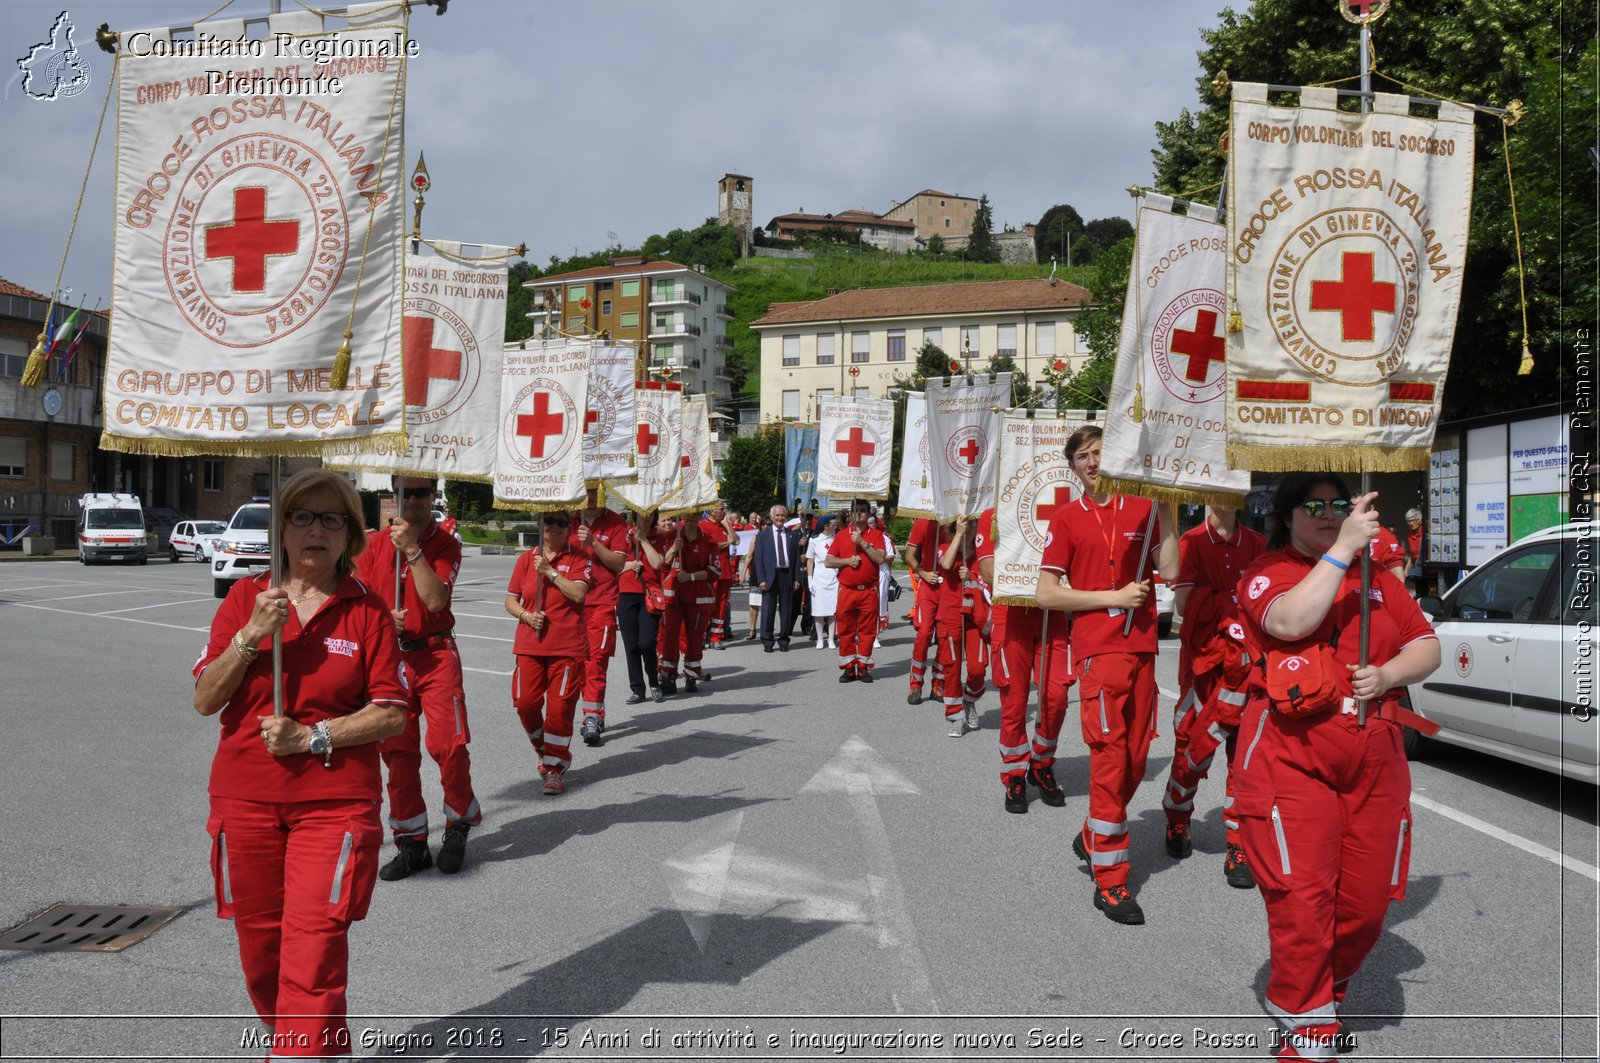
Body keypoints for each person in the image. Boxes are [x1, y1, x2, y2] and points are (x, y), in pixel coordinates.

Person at [194, 468, 409, 1053]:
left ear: (349, 536)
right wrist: (252, 634)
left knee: (312, 954)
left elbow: (392, 712)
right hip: (245, 802)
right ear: (281, 529)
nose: (316, 530)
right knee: (262, 960)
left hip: (333, 806)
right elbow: (205, 699)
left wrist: (314, 737)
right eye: (302, 517)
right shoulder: (246, 597)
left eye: (331, 519)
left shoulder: (366, 610)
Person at [1231, 473, 1439, 1061]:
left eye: (1338, 505)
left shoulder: (1375, 582)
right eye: (1314, 506)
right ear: (1288, 515)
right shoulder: (1268, 572)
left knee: (1366, 907)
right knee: (1303, 899)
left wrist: (1390, 675)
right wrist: (1344, 547)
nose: (1327, 513)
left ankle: (1323, 997)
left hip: (1375, 755)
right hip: (1291, 760)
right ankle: (1307, 1028)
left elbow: (1427, 645)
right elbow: (1291, 622)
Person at [1034, 425, 1177, 925]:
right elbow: (1047, 594)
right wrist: (1111, 598)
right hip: (1098, 654)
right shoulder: (1067, 518)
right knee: (1110, 760)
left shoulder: (1144, 508)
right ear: (1072, 467)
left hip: (1141, 650)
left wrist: (1170, 507)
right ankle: (1111, 881)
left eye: (1100, 453)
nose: (1093, 462)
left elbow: (1173, 570)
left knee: (1137, 761)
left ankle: (1095, 834)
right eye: (1084, 456)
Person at [356, 475, 480, 882]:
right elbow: (355, 599)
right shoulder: (373, 545)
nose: (414, 501)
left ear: (433, 497)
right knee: (397, 754)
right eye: (406, 493)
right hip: (391, 660)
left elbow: (434, 599)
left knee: (449, 746)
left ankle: (458, 825)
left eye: (422, 493)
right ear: (395, 495)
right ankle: (411, 843)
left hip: (436, 655)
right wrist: (377, 616)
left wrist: (411, 549)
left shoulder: (446, 544)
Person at [1159, 503, 1266, 886]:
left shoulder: (1258, 543)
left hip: (1247, 666)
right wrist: (1234, 600)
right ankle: (1177, 816)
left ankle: (1239, 842)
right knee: (1191, 747)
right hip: (1203, 664)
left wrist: (1232, 600)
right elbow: (1185, 605)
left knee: (1245, 756)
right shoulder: (1189, 542)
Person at [975, 506, 1074, 815]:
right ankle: (1015, 773)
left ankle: (1041, 763)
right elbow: (988, 570)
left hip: (1052, 615)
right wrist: (1029, 580)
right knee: (1015, 702)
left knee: (1056, 696)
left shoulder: (1061, 511)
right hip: (1011, 616)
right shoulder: (992, 514)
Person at [504, 513, 592, 796]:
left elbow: (578, 594)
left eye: (561, 522)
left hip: (566, 646)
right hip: (530, 644)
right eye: (549, 521)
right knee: (525, 703)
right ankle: (543, 748)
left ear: (568, 528)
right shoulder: (525, 559)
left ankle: (554, 767)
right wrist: (526, 616)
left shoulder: (579, 557)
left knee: (559, 710)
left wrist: (550, 573)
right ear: (540, 525)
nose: (554, 526)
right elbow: (510, 599)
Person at [574, 488, 631, 746]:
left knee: (595, 661)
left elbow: (619, 565)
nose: (592, 497)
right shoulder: (567, 519)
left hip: (601, 604)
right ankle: (589, 711)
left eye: (596, 491)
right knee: (573, 664)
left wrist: (593, 542)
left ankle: (592, 717)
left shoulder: (616, 523)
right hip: (571, 604)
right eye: (587, 491)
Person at [935, 514, 988, 736]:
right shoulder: (946, 546)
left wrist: (973, 575)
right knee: (951, 668)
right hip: (951, 615)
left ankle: (970, 699)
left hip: (975, 618)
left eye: (973, 523)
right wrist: (958, 533)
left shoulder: (984, 555)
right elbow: (946, 563)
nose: (968, 527)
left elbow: (991, 582)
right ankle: (955, 714)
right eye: (964, 522)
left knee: (977, 668)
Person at [826, 500, 890, 681]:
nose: (859, 514)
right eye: (856, 511)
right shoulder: (840, 536)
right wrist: (846, 561)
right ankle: (848, 667)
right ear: (851, 514)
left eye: (863, 511)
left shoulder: (877, 535)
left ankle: (862, 666)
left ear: (868, 513)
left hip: (869, 591)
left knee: (867, 631)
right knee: (846, 630)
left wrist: (861, 541)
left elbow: (880, 559)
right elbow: (829, 561)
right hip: (847, 590)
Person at [656, 514, 717, 694]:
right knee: (669, 636)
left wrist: (690, 576)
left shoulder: (708, 541)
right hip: (673, 595)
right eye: (688, 517)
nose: (690, 520)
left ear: (699, 517)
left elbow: (714, 570)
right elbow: (661, 564)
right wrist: (674, 549)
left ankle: (691, 674)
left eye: (694, 517)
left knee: (695, 637)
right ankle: (668, 676)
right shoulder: (671, 537)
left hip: (697, 596)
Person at [616, 509, 668, 705]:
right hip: (626, 593)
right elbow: (614, 565)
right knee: (631, 645)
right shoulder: (624, 535)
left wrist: (643, 540)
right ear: (635, 515)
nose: (644, 517)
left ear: (654, 517)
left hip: (649, 595)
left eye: (649, 514)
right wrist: (630, 565)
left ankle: (654, 682)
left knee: (647, 642)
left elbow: (657, 563)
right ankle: (637, 688)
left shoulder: (658, 538)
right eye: (641, 514)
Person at [903, 515, 944, 705]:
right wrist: (923, 573)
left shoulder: (957, 521)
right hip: (928, 587)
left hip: (950, 589)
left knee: (946, 638)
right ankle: (916, 684)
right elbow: (909, 555)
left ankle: (939, 683)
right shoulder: (923, 522)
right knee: (924, 634)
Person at [750, 504, 801, 652]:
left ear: (786, 517)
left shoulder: (793, 535)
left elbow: (796, 559)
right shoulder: (763, 535)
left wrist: (797, 578)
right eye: (777, 515)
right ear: (772, 517)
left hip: (787, 575)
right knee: (768, 610)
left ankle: (784, 640)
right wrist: (761, 579)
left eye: (782, 515)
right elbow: (758, 559)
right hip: (770, 576)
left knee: (786, 610)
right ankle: (767, 640)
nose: (780, 518)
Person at [700, 501, 737, 650]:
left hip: (725, 572)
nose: (724, 512)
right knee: (707, 604)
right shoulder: (703, 526)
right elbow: (710, 546)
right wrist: (726, 543)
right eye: (721, 509)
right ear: (712, 511)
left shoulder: (723, 526)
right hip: (710, 572)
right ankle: (702, 636)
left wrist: (727, 525)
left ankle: (716, 636)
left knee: (721, 606)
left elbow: (735, 540)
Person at [806, 514, 840, 648]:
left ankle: (830, 638)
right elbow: (810, 560)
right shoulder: (814, 540)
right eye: (832, 525)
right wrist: (809, 579)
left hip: (834, 577)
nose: (835, 527)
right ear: (825, 526)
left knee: (832, 611)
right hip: (819, 578)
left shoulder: (836, 539)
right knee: (819, 611)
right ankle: (820, 639)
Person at [741, 511, 766, 640]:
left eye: (768, 525)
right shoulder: (756, 537)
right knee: (754, 603)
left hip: (770, 575)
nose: (766, 527)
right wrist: (743, 572)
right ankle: (752, 629)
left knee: (768, 604)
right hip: (756, 574)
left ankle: (767, 630)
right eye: (764, 525)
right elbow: (749, 556)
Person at [1404, 507, 1429, 598]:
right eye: (1408, 521)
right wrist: (1406, 569)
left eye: (1413, 520)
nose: (1411, 523)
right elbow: (1412, 555)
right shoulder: (1411, 535)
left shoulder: (1426, 533)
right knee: (1419, 595)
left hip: (1428, 571)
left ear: (1420, 520)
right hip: (1418, 570)